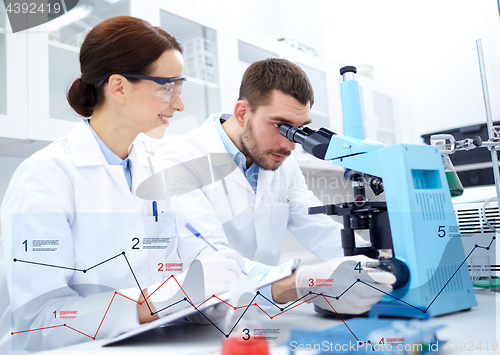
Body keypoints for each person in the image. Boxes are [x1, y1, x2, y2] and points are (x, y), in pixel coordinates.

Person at [0, 16, 245, 353]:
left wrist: (213, 294)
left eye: (180, 87)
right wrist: (151, 302)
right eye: (166, 87)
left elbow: (184, 274)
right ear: (118, 87)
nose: (179, 103)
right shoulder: (45, 177)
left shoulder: (155, 171)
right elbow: (39, 320)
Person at [155, 59, 395, 312]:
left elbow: (318, 225)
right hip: (194, 320)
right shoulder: (178, 159)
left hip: (257, 314)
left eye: (299, 130)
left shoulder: (283, 165)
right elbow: (211, 258)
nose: (290, 145)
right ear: (242, 113)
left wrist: (374, 263)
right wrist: (300, 282)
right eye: (280, 126)